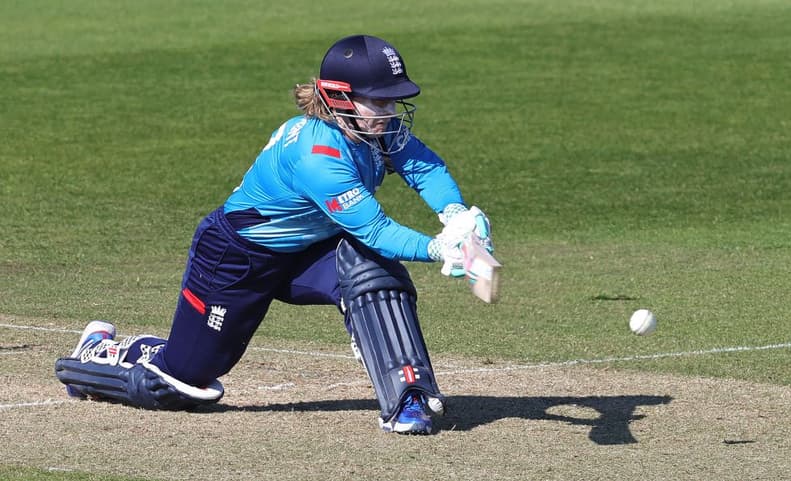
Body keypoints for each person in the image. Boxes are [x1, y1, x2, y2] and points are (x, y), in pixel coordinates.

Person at [55, 34, 493, 435]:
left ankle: (408, 399)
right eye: (377, 102)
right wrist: (438, 247)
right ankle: (96, 355)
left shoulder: (375, 129)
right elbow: (376, 229)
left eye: (391, 102)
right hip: (236, 257)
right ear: (338, 99)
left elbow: (425, 166)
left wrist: (455, 215)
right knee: (183, 383)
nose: (388, 112)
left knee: (374, 274)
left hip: (309, 252)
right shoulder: (317, 156)